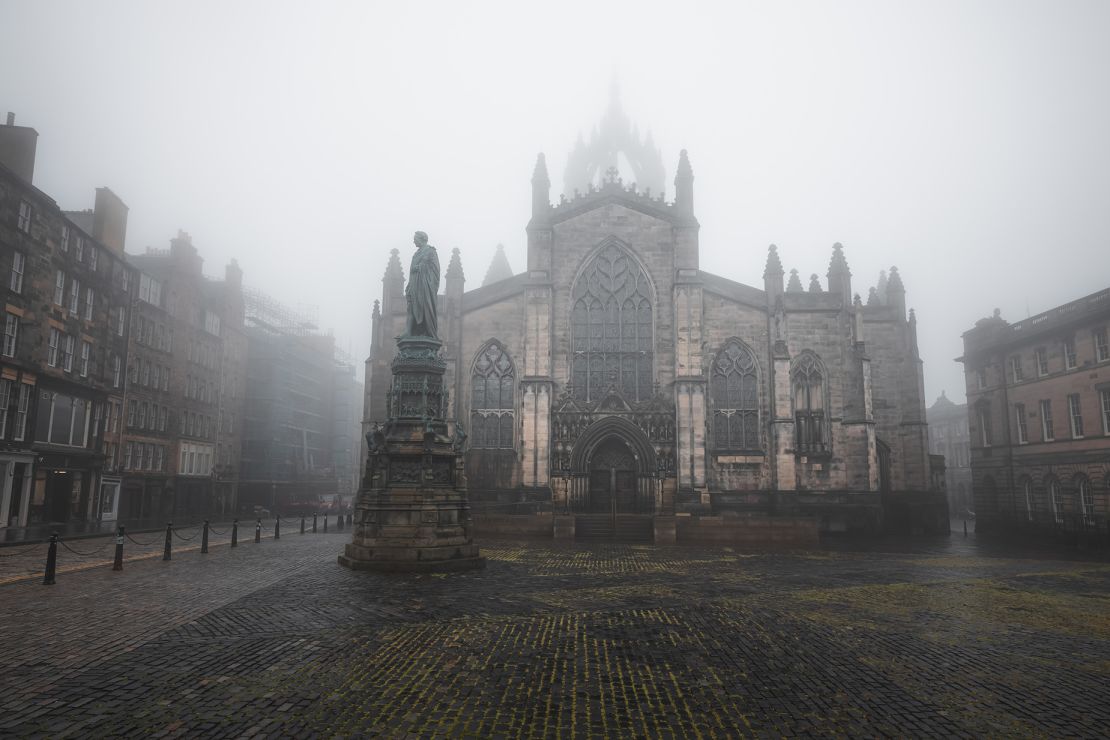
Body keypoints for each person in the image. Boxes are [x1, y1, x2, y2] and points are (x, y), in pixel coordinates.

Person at [405, 231, 440, 339]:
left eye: (415, 238)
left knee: (425, 308)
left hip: (425, 288)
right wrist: (410, 285)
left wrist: (421, 267)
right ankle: (408, 332)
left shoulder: (430, 252)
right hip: (414, 285)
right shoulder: (416, 254)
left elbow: (436, 270)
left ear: (422, 238)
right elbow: (411, 271)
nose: (413, 241)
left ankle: (426, 331)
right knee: (411, 308)